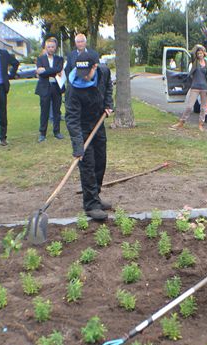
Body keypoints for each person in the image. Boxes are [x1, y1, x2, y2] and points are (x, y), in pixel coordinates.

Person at [65, 52, 114, 220]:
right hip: (83, 126)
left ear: (95, 67)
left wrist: (108, 104)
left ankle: (96, 197)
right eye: (81, 73)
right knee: (88, 165)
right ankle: (90, 204)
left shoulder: (104, 72)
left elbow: (108, 86)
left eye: (87, 73)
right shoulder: (73, 88)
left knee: (101, 162)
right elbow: (71, 118)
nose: (84, 77)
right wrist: (78, 146)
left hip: (98, 123)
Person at [170, 45, 207, 131]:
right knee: (189, 106)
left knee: (203, 107)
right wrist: (199, 46)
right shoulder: (195, 62)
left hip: (204, 88)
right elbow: (192, 52)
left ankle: (201, 124)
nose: (199, 55)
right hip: (195, 87)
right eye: (198, 53)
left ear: (204, 54)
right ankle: (181, 122)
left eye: (201, 53)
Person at [35, 37, 64, 142]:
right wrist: (52, 72)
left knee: (57, 111)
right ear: (45, 47)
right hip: (44, 87)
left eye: (52, 47)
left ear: (55, 47)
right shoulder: (40, 59)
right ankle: (42, 133)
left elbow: (58, 69)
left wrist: (45, 70)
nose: (50, 48)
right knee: (44, 111)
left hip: (56, 87)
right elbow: (41, 73)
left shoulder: (59, 59)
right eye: (48, 47)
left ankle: (57, 132)